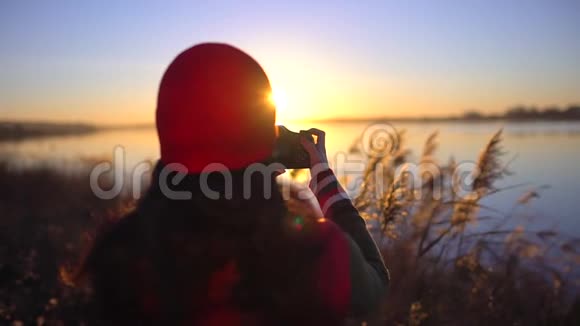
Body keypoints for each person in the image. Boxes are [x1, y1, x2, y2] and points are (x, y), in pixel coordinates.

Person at [77, 43, 389, 325]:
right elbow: (375, 282)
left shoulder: (123, 253)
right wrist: (323, 179)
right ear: (265, 137)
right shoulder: (312, 252)